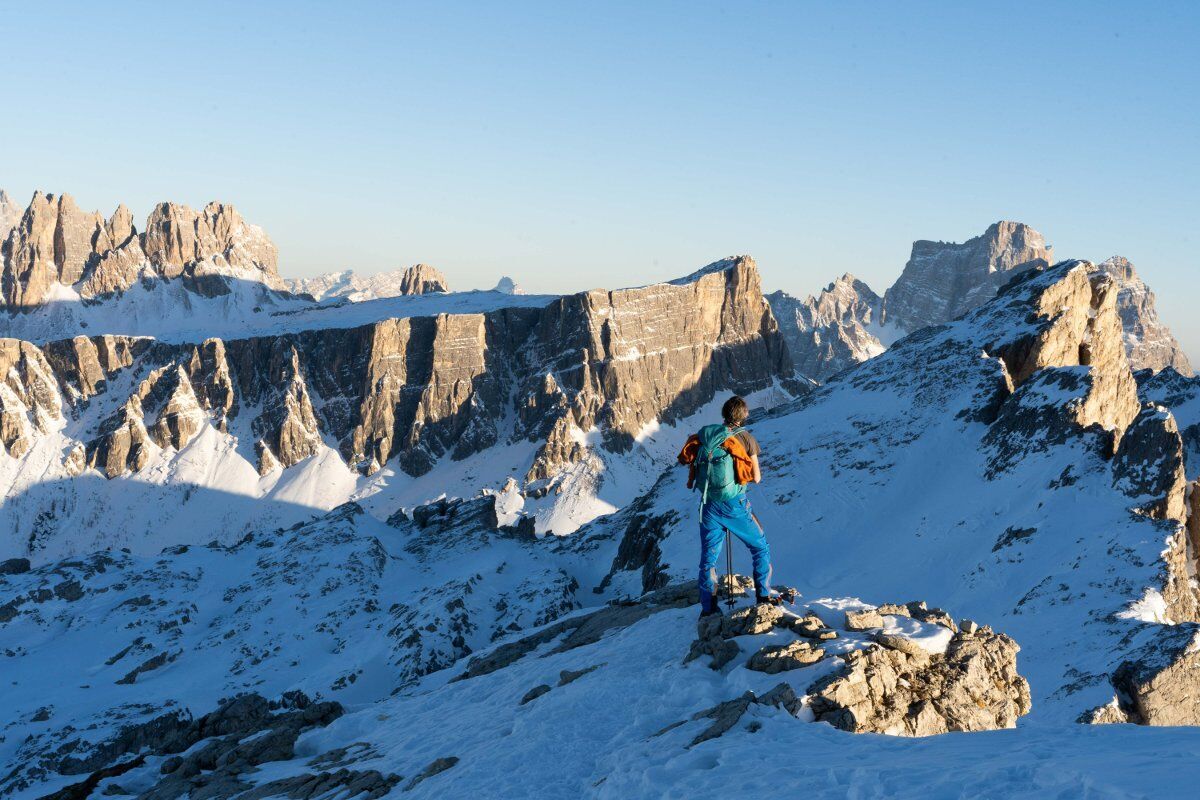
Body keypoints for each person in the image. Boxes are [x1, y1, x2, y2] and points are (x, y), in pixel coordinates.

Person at [677, 395, 773, 616]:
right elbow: (756, 478)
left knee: (708, 560)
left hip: (708, 505)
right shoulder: (746, 439)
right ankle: (763, 596)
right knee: (760, 547)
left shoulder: (706, 437)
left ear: (724, 414)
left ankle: (708, 609)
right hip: (734, 505)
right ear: (744, 415)